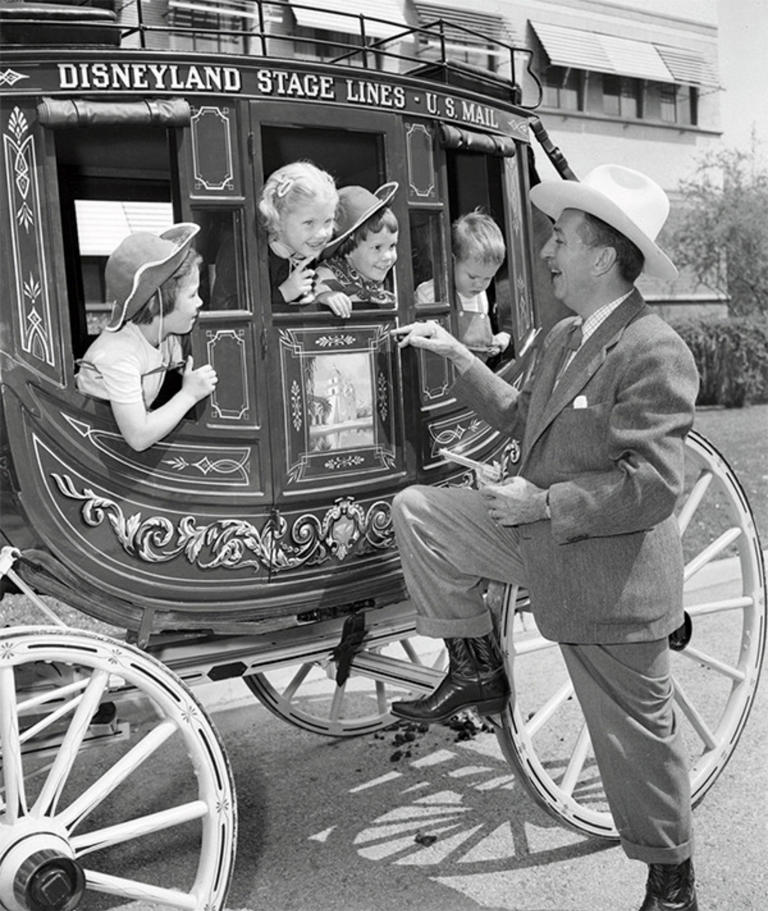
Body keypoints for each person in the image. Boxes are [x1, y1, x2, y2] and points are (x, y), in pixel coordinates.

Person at [390, 164, 700, 911]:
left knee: (635, 744)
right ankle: (476, 664)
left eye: (561, 239)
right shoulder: (565, 335)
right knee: (420, 510)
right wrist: (457, 355)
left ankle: (672, 884)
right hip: (534, 534)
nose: (548, 252)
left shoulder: (654, 348)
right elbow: (519, 414)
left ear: (602, 255)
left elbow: (656, 484)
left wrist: (546, 500)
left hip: (609, 571)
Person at [76, 223, 217, 452]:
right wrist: (189, 395)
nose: (200, 302)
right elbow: (138, 438)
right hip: (95, 449)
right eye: (192, 294)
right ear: (156, 304)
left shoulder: (166, 336)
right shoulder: (118, 354)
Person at [416, 209, 510, 359]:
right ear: (452, 261)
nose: (479, 285)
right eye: (472, 276)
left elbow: (479, 339)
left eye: (487, 279)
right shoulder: (429, 293)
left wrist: (495, 341)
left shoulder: (481, 297)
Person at [258, 160, 339, 311]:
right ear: (278, 220)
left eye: (328, 221)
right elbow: (229, 311)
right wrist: (284, 293)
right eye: (309, 223)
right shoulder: (247, 253)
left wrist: (322, 299)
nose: (322, 234)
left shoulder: (307, 251)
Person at [313, 182, 399, 317]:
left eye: (392, 246)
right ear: (349, 250)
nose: (388, 256)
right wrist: (323, 297)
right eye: (377, 247)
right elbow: (299, 308)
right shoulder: (325, 276)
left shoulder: (375, 280)